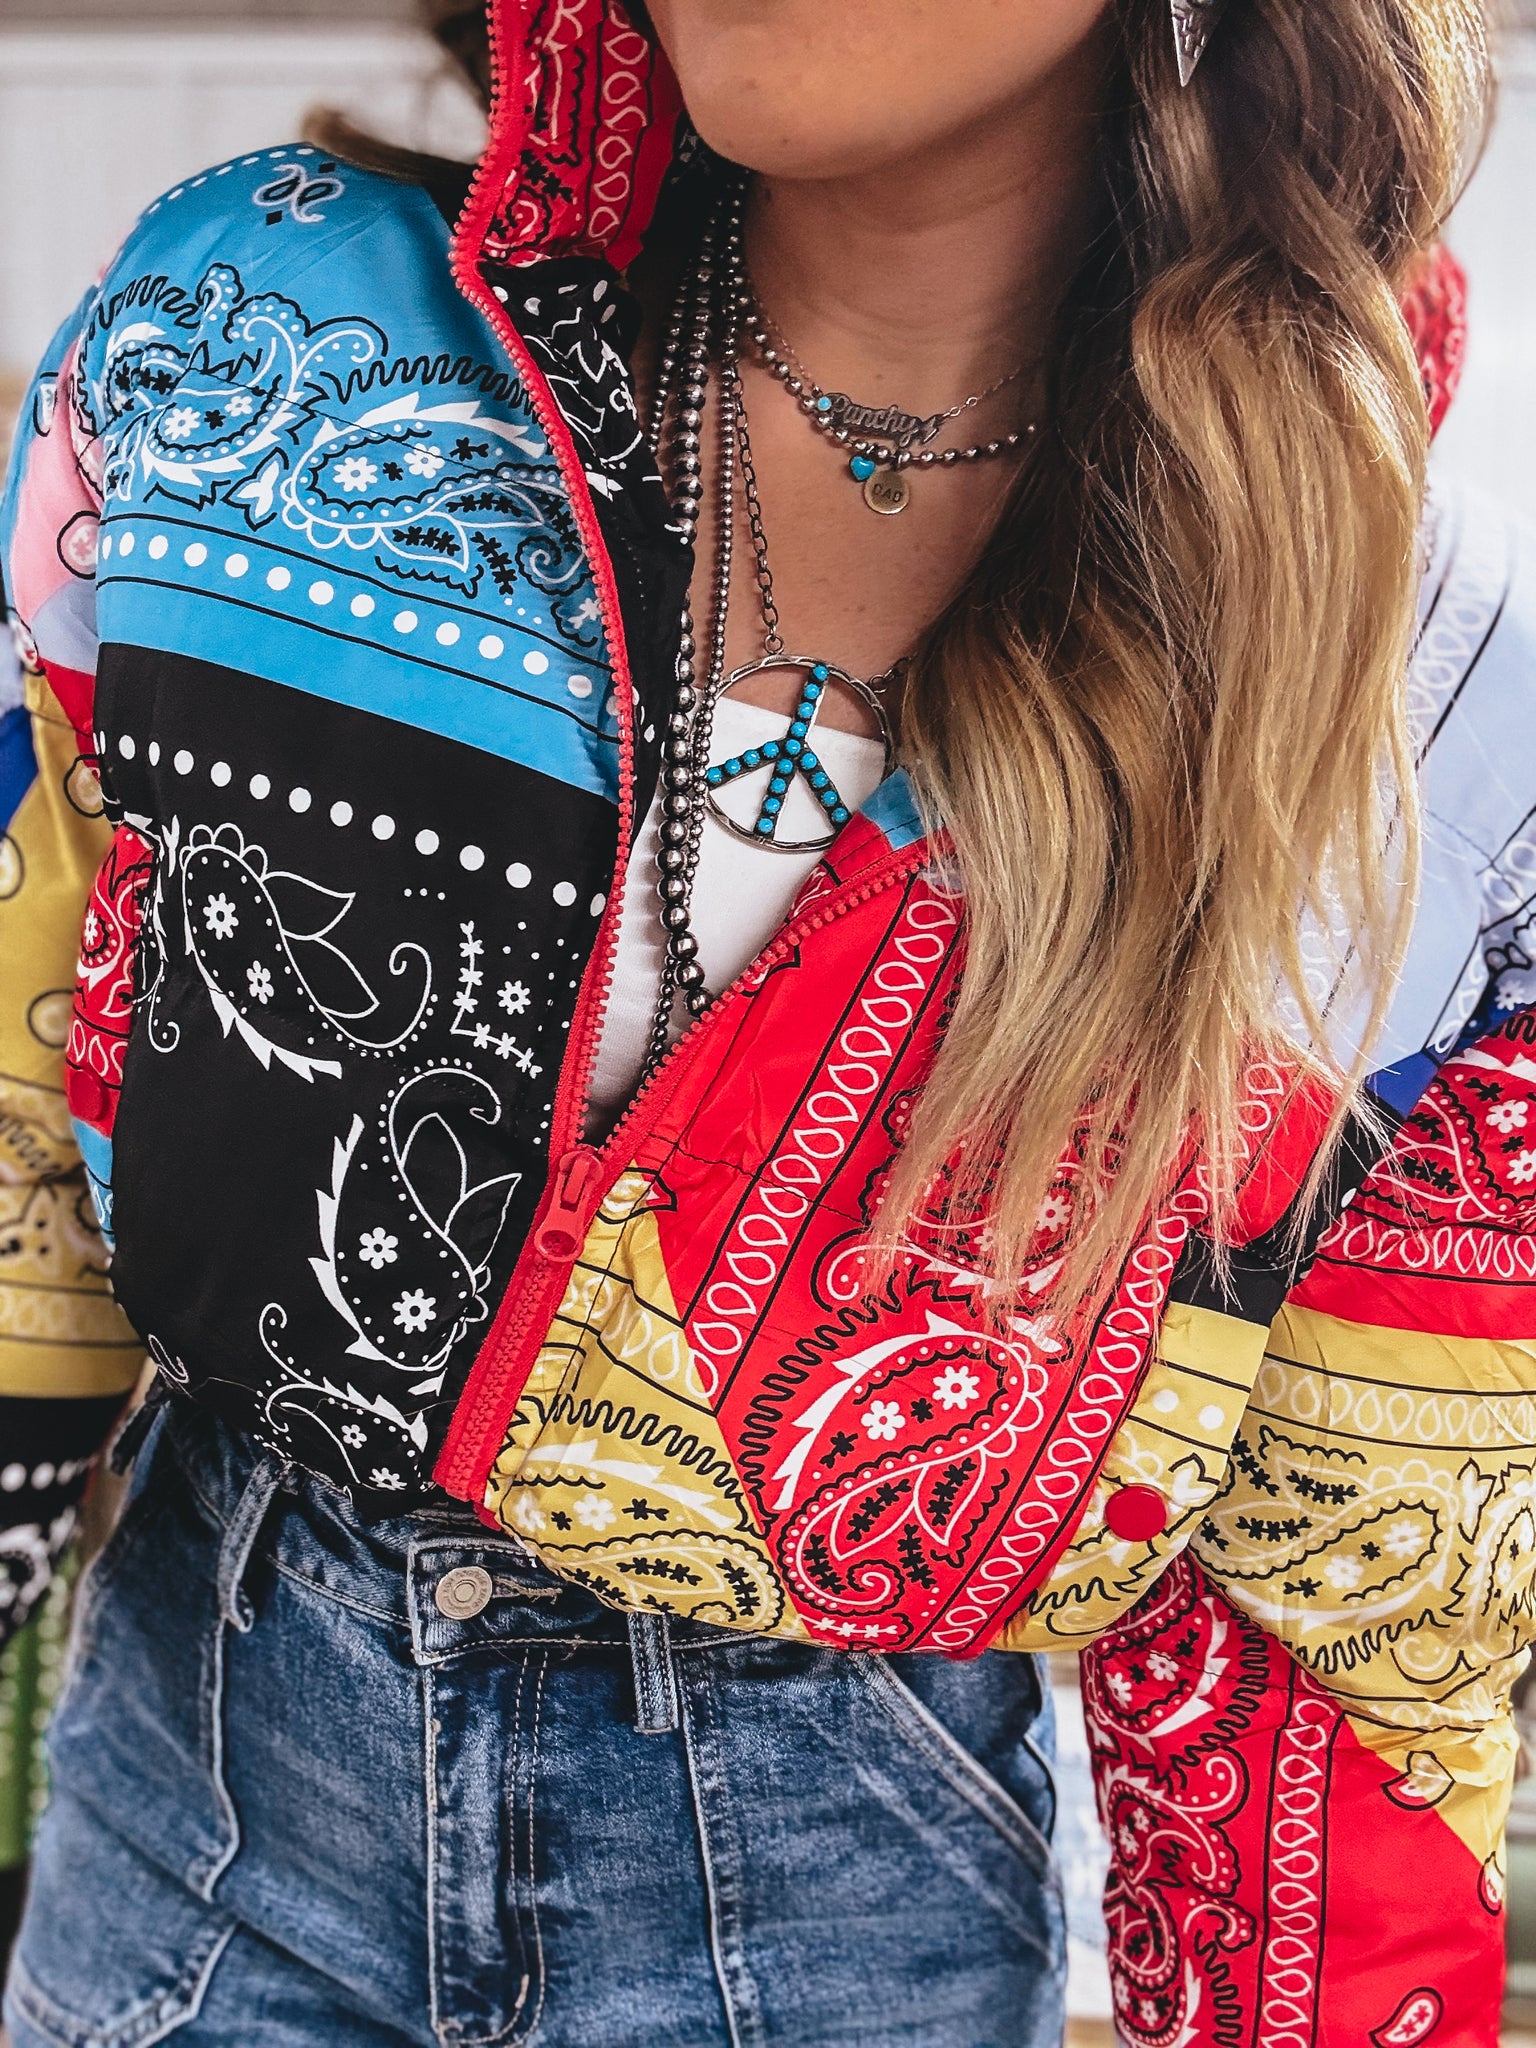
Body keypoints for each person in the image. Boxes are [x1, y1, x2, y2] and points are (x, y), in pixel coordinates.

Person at [0, 0, 1527, 2039]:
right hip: (194, 1819)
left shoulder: (1413, 682)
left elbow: (1348, 1619)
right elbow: (19, 1128)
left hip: (835, 1919)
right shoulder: (256, 336)